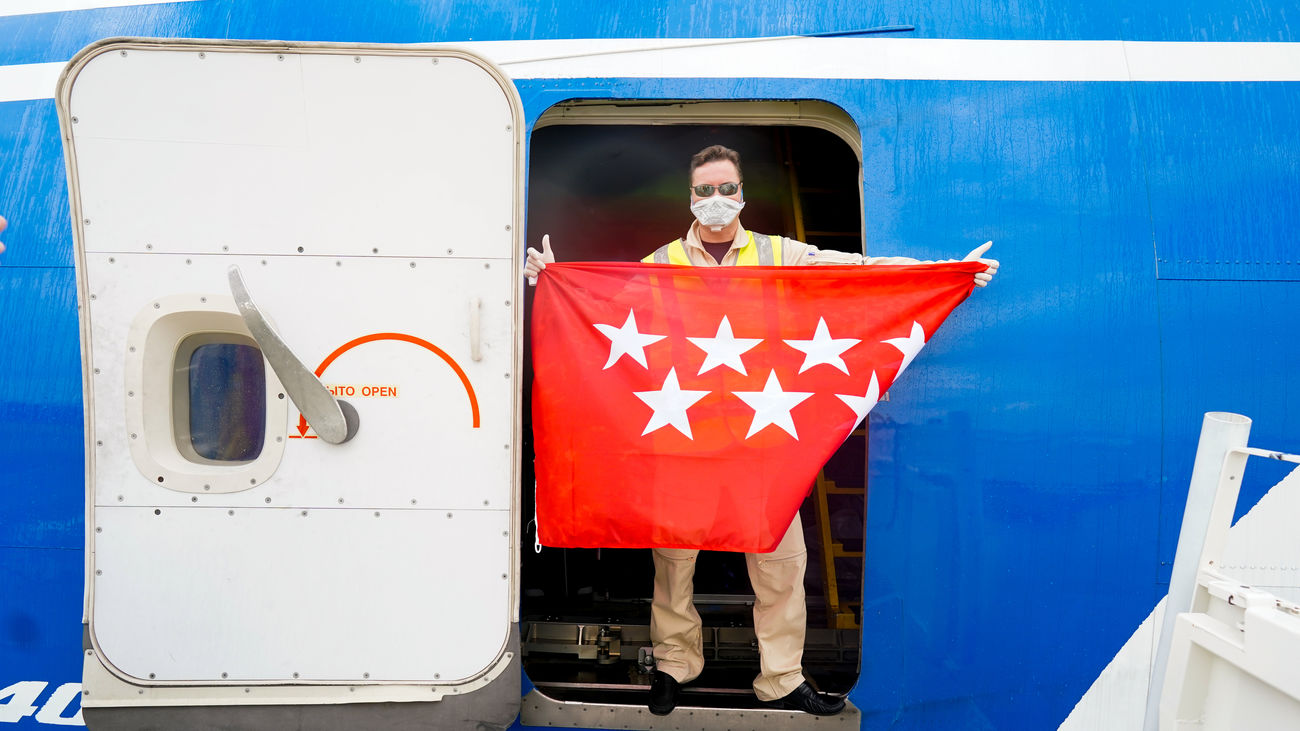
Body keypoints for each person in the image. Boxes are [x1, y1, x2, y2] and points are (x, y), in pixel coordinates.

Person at [523, 145, 998, 716]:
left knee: (779, 565)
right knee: (674, 562)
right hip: (684, 441)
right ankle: (675, 666)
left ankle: (781, 677)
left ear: (742, 193)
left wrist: (945, 274)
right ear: (690, 197)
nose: (716, 200)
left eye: (726, 188)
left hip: (761, 445)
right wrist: (551, 279)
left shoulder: (779, 253)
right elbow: (602, 308)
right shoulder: (664, 260)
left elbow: (854, 272)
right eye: (705, 190)